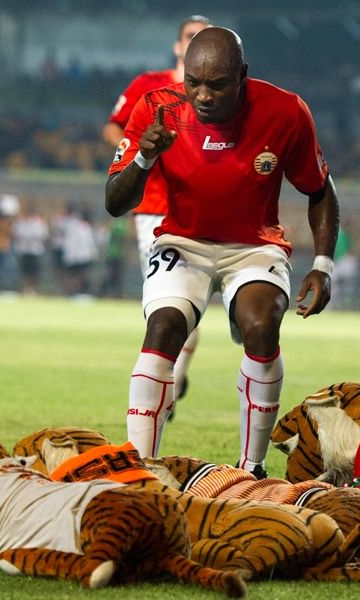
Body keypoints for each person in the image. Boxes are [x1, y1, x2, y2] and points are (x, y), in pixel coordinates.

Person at [105, 27, 339, 477]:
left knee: (261, 324)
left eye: (217, 84)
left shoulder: (286, 111)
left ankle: (251, 469)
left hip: (254, 246)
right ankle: (140, 472)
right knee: (163, 327)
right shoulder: (157, 107)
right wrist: (143, 160)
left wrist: (322, 266)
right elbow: (115, 203)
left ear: (242, 76)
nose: (203, 96)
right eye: (194, 83)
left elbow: (319, 188)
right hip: (182, 242)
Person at [103, 15, 211, 405]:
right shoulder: (149, 86)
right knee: (166, 298)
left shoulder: (222, 93)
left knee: (191, 299)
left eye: (205, 37)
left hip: (203, 205)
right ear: (178, 46)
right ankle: (169, 379)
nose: (196, 42)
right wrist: (141, 153)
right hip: (153, 207)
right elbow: (115, 128)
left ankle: (170, 379)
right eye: (189, 37)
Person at [12, 202, 49, 295]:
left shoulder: (39, 222)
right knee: (24, 271)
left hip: (35, 250)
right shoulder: (21, 222)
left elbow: (43, 236)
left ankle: (32, 289)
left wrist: (31, 238)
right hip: (23, 250)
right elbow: (16, 234)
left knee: (34, 272)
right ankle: (24, 288)